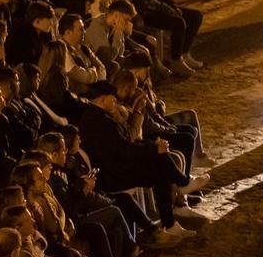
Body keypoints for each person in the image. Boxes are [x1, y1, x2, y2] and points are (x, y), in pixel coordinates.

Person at [77, 81, 205, 241]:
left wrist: (153, 146)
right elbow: (124, 149)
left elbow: (125, 144)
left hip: (116, 165)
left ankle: (176, 205)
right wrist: (153, 149)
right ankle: (181, 186)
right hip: (113, 174)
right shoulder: (100, 122)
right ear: (103, 99)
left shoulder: (96, 117)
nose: (115, 102)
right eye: (113, 99)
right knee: (159, 165)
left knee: (160, 162)